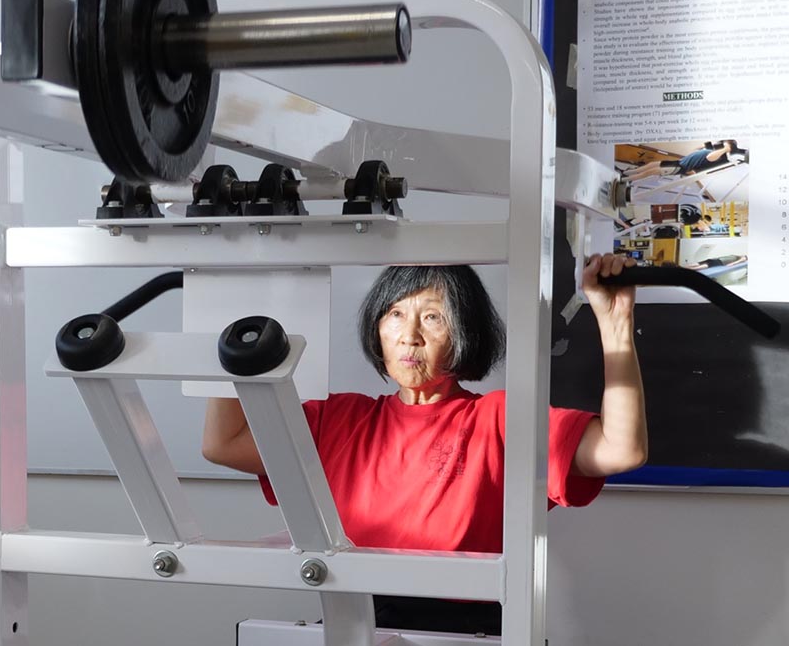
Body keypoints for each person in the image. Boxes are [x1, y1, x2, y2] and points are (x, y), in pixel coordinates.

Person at [202, 253, 646, 636]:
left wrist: (615, 323)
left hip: (466, 633)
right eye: (395, 314)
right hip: (353, 625)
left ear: (463, 331)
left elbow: (620, 448)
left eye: (432, 317)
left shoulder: (499, 419)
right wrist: (237, 331)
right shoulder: (338, 419)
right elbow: (224, 443)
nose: (408, 335)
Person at [623, 140, 739, 183]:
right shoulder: (711, 149)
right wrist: (705, 145)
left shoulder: (717, 157)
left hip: (681, 168)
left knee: (651, 171)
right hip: (679, 162)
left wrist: (726, 149)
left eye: (725, 144)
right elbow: (695, 150)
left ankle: (625, 179)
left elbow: (709, 157)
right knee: (652, 164)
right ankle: (629, 173)